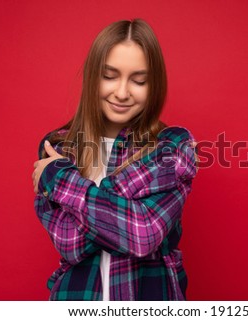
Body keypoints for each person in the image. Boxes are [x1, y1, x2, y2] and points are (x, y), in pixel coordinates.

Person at [32, 19, 198, 301]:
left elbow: (142, 235)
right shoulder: (59, 148)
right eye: (109, 76)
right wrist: (122, 210)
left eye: (139, 80)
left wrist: (60, 179)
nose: (122, 92)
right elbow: (70, 243)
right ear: (92, 76)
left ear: (154, 84)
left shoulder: (172, 145)